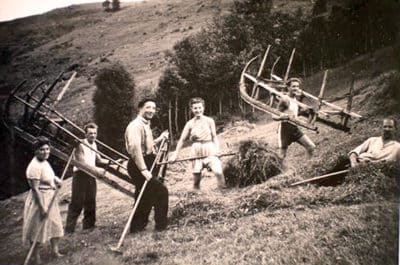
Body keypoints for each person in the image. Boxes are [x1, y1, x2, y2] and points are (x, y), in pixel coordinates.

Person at [125, 98, 169, 233]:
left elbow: (146, 145)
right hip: (139, 165)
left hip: (148, 161)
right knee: (161, 191)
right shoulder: (135, 126)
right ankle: (161, 226)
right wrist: (143, 169)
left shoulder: (145, 124)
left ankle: (137, 227)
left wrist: (159, 139)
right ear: (140, 108)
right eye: (148, 107)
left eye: (154, 108)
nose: (151, 111)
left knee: (145, 196)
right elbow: (135, 148)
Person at [22, 136, 64, 264]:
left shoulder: (44, 162)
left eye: (47, 149)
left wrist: (57, 180)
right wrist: (42, 208)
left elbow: (50, 175)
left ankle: (55, 251)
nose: (46, 152)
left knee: (55, 224)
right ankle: (36, 257)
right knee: (37, 229)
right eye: (42, 149)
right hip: (39, 200)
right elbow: (35, 190)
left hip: (50, 196)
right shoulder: (33, 167)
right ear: (35, 151)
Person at [169, 97, 226, 190]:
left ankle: (222, 194)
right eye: (195, 108)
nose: (198, 110)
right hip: (196, 150)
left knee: (219, 172)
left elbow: (214, 137)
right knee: (196, 179)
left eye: (200, 107)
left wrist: (218, 150)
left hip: (209, 148)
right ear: (191, 109)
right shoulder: (189, 123)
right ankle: (196, 196)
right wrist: (175, 154)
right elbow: (182, 140)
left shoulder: (209, 121)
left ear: (203, 108)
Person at [65, 123, 108, 233]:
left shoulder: (94, 144)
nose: (93, 136)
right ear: (85, 134)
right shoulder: (80, 145)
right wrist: (97, 170)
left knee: (91, 200)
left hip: (91, 175)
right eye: (90, 133)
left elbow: (98, 159)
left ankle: (89, 226)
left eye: (95, 133)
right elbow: (82, 164)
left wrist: (114, 163)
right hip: (80, 175)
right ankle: (69, 230)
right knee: (77, 202)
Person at [276, 78, 315, 159]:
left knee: (310, 146)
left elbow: (294, 113)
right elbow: (273, 116)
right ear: (288, 88)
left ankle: (308, 165)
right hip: (285, 128)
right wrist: (281, 117)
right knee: (282, 155)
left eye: (297, 86)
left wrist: (306, 110)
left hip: (294, 127)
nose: (296, 88)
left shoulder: (295, 99)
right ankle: (278, 171)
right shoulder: (284, 100)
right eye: (293, 86)